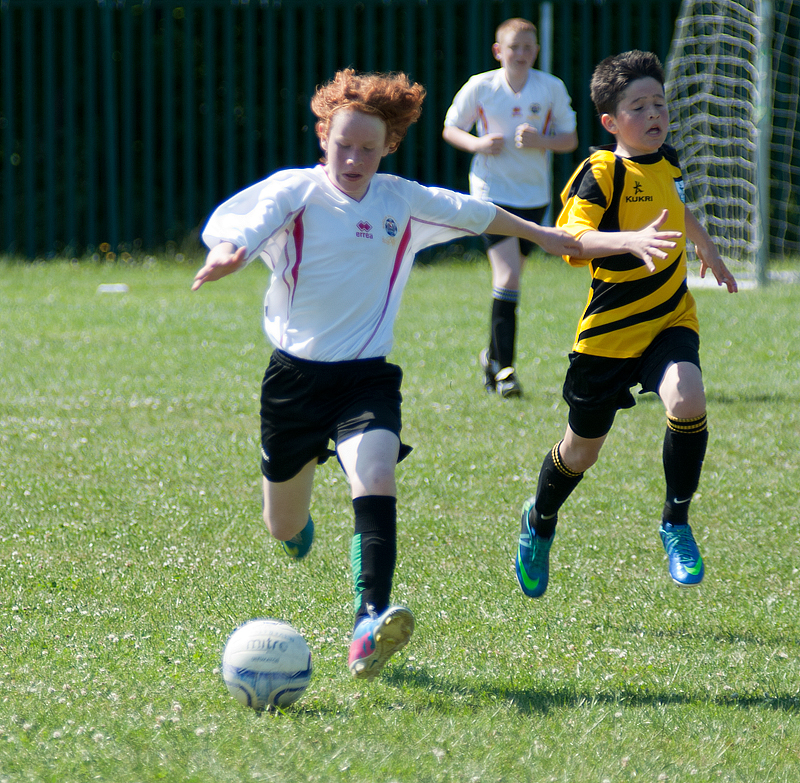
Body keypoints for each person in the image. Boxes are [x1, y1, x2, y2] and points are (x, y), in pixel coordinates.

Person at [192, 69, 581, 679]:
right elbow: (239, 223)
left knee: (374, 472)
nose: (353, 158)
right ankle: (297, 529)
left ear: (387, 148)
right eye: (343, 143)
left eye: (368, 149)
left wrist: (550, 237)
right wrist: (229, 253)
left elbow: (481, 214)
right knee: (283, 526)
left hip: (367, 378)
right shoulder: (295, 193)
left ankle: (367, 621)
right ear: (324, 135)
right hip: (293, 381)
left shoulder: (400, 201)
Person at [514, 50, 738, 600]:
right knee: (581, 451)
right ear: (611, 122)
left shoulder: (668, 160)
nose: (655, 113)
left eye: (660, 102)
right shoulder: (601, 171)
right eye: (639, 106)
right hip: (609, 335)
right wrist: (628, 242)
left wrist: (703, 242)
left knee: (687, 399)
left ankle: (675, 523)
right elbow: (570, 238)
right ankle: (539, 521)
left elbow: (674, 206)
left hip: (669, 317)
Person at [443, 17, 578, 398]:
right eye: (513, 47)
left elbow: (569, 140)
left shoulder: (550, 88)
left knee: (510, 279)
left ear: (536, 50)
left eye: (528, 47)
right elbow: (451, 127)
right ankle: (506, 371)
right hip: (490, 193)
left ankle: (491, 358)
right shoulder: (481, 86)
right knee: (507, 277)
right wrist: (478, 145)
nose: (521, 54)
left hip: (533, 198)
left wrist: (542, 141)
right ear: (498, 51)